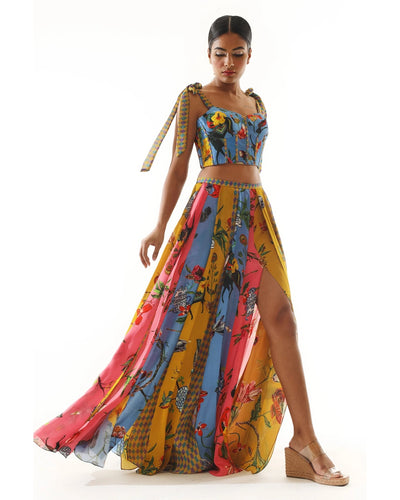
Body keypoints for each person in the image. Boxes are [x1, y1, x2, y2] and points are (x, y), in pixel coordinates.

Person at [33, 15, 349, 486]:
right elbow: (179, 166)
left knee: (283, 318)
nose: (228, 62)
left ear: (250, 55)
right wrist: (159, 226)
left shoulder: (257, 103)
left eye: (237, 53)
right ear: (208, 54)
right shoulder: (194, 99)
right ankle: (165, 431)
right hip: (209, 216)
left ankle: (305, 442)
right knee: (181, 325)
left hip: (255, 214)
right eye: (220, 53)